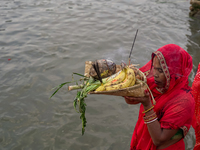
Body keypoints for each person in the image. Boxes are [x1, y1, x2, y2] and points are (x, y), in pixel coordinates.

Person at [124, 44, 195, 149]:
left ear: (175, 72)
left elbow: (159, 139)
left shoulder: (184, 101)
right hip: (143, 140)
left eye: (161, 71)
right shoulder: (158, 83)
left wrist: (147, 105)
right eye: (155, 68)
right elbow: (131, 98)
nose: (155, 74)